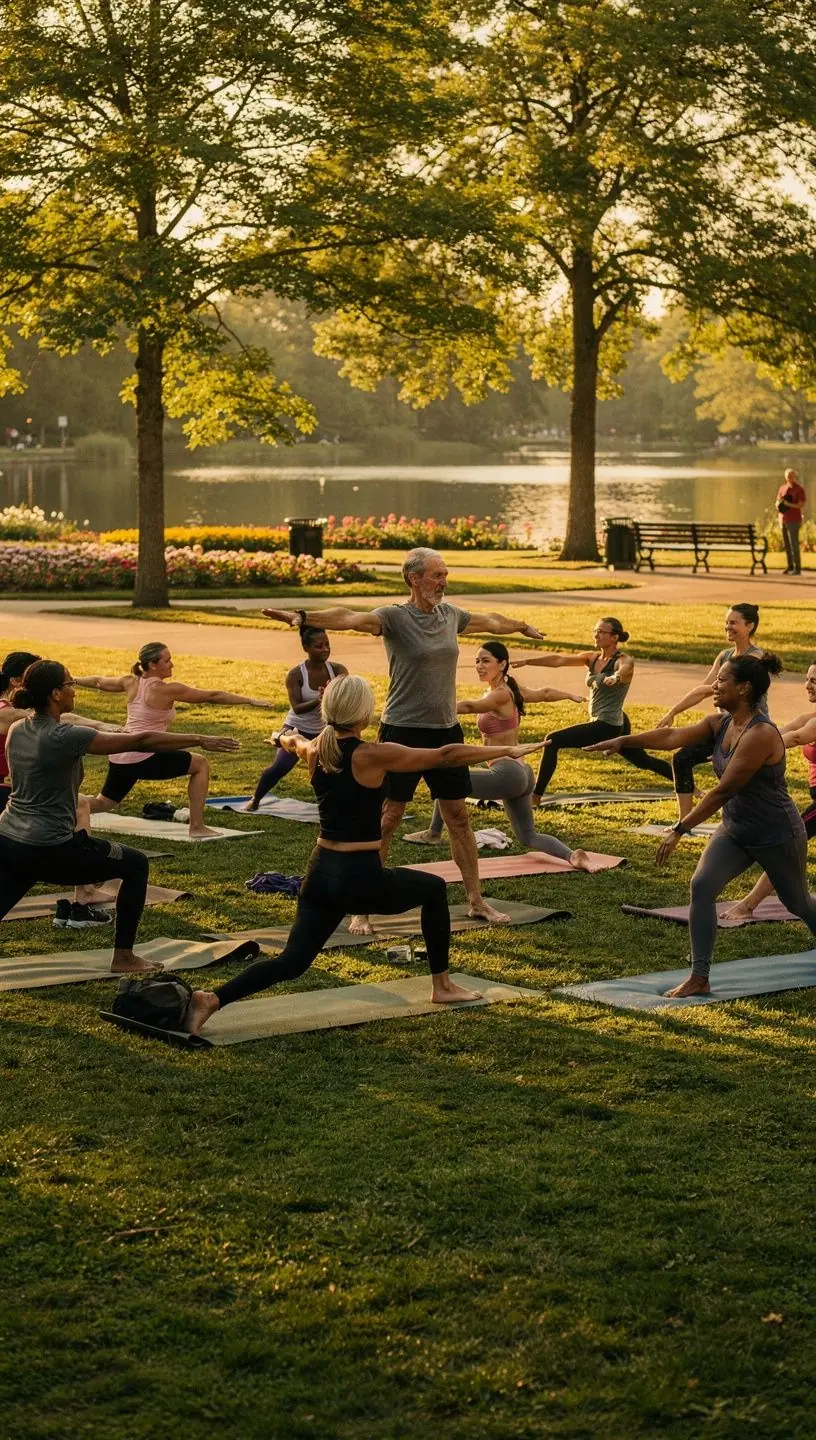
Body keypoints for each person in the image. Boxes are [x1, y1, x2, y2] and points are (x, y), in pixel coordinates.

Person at [181, 674, 547, 1036]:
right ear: (361, 713)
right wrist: (506, 750)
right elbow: (445, 755)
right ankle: (443, 986)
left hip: (320, 873)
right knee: (434, 889)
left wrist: (279, 737)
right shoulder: (371, 754)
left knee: (292, 962)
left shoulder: (316, 749)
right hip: (360, 877)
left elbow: (293, 741)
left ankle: (211, 999)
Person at [262, 547, 544, 931]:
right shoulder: (394, 617)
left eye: (445, 575)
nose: (443, 582)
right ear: (414, 578)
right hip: (402, 729)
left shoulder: (451, 615)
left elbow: (491, 621)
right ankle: (361, 907)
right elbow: (350, 618)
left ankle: (476, 901)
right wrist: (303, 616)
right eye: (437, 575)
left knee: (459, 818)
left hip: (445, 728)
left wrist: (520, 626)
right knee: (389, 818)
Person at [585, 652, 816, 997]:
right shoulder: (718, 723)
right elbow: (673, 736)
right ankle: (699, 976)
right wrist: (624, 741)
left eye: (722, 680)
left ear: (743, 688)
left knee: (797, 903)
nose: (714, 686)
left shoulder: (760, 734)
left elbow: (724, 791)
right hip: (736, 829)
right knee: (702, 886)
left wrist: (681, 827)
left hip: (776, 833)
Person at [0, 660, 239, 971]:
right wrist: (200, 739)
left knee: (22, 874)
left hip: (9, 838)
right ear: (56, 694)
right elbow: (140, 741)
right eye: (70, 684)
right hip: (49, 846)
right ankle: (124, 957)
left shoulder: (18, 729)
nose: (74, 690)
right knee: (135, 864)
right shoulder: (63, 736)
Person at [403, 641, 595, 867]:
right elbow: (544, 693)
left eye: (486, 661)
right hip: (522, 773)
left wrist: (429, 708)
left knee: (447, 776)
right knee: (528, 836)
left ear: (502, 664)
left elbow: (470, 707)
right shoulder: (512, 690)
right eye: (477, 661)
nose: (479, 666)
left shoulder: (501, 694)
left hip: (507, 774)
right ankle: (573, 856)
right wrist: (569, 695)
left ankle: (433, 833)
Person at [75, 643, 274, 839]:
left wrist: (71, 680)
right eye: (167, 660)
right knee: (200, 764)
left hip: (120, 753)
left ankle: (65, 805)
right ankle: (197, 826)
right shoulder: (167, 689)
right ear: (152, 665)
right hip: (143, 754)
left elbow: (98, 682)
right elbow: (212, 696)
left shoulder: (130, 682)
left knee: (104, 803)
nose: (172, 664)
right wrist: (249, 700)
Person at [0, 649, 132, 927]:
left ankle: (83, 894)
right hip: (24, 818)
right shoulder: (10, 716)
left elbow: (66, 723)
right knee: (133, 861)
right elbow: (66, 725)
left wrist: (101, 725)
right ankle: (85, 895)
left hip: (17, 820)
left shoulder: (21, 722)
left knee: (76, 806)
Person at [512, 618, 674, 804]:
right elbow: (559, 660)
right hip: (619, 720)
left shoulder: (622, 660)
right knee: (642, 760)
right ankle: (690, 786)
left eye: (602, 632)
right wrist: (528, 661)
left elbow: (625, 669)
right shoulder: (592, 658)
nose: (596, 635)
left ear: (615, 637)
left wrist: (615, 678)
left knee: (552, 741)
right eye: (595, 631)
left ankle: (536, 797)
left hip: (608, 725)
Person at [723, 661, 816, 920]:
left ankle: (748, 905)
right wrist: (745, 741)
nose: (807, 685)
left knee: (786, 846)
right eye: (807, 679)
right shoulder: (810, 717)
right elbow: (780, 731)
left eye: (814, 681)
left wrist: (753, 750)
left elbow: (794, 738)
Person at [656, 604, 767, 822]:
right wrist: (672, 712)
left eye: (733, 622)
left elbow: (715, 690)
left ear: (750, 626)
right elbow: (703, 689)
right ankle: (684, 821)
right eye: (727, 622)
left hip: (749, 730)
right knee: (682, 759)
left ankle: (744, 821)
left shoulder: (755, 658)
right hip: (724, 728)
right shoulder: (725, 656)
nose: (728, 627)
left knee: (737, 780)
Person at [245, 625, 347, 811]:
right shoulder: (296, 674)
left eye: (327, 644)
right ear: (306, 648)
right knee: (280, 768)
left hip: (325, 730)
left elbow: (345, 700)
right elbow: (297, 708)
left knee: (334, 771)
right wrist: (320, 699)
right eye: (318, 646)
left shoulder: (338, 670)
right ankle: (256, 799)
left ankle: (333, 806)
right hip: (296, 728)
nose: (325, 649)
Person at [776, 467, 806, 574]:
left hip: (794, 520)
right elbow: (777, 501)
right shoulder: (782, 488)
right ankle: (790, 566)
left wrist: (789, 504)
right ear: (785, 477)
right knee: (787, 545)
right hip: (783, 519)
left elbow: (801, 504)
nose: (790, 478)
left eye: (792, 476)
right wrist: (778, 505)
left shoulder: (799, 489)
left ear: (795, 476)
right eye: (788, 476)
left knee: (794, 545)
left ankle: (797, 568)